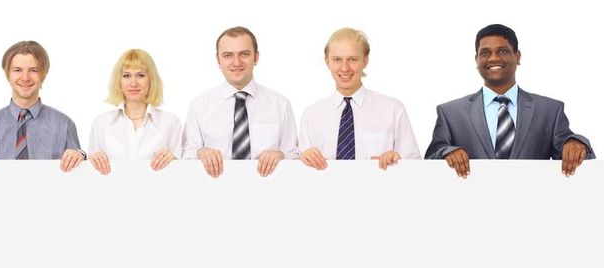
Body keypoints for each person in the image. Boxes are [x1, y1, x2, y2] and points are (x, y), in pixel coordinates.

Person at [426, 24, 593, 178]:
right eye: (485, 53)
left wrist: (576, 143)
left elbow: (572, 154)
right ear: (476, 60)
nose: (493, 58)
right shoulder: (450, 113)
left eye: (503, 51)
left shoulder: (549, 110)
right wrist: (446, 153)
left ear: (518, 56)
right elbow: (430, 160)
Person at [181, 26, 296, 178]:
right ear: (218, 60)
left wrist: (281, 155)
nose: (236, 62)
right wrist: (200, 152)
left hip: (267, 189)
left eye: (244, 54)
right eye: (228, 55)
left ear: (256, 57)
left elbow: (294, 156)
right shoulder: (199, 105)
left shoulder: (280, 104)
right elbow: (186, 155)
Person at [299, 28, 420, 171]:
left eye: (352, 59)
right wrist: (302, 159)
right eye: (337, 59)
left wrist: (397, 160)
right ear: (327, 61)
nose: (344, 68)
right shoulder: (311, 115)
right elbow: (297, 173)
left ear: (365, 60)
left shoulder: (393, 109)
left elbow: (415, 166)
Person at [0, 40, 84, 172]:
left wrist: (80, 155)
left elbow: (79, 174)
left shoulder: (64, 125)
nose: (25, 78)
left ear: (44, 74)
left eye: (34, 70)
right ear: (8, 74)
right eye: (17, 70)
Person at [86, 49, 182, 175]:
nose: (133, 83)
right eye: (126, 76)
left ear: (151, 80)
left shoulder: (171, 123)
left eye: (140, 75)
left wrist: (175, 161)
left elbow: (182, 173)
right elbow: (91, 173)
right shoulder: (101, 124)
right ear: (119, 81)